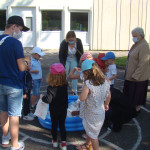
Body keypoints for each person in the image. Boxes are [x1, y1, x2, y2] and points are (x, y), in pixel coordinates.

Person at [0, 15, 29, 150]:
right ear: (14, 27)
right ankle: (15, 145)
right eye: (20, 29)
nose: (20, 33)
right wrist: (26, 62)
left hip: (0, 83)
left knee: (3, 111)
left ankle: (5, 138)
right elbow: (22, 67)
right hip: (13, 85)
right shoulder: (16, 43)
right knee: (14, 115)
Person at [76, 60, 111, 150]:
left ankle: (93, 147)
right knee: (90, 131)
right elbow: (109, 95)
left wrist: (80, 96)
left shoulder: (88, 84)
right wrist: (106, 104)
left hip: (91, 114)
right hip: (100, 112)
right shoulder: (104, 82)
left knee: (94, 137)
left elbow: (82, 98)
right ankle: (87, 145)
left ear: (86, 73)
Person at [41, 63, 68, 150]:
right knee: (62, 125)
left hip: (54, 110)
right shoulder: (65, 85)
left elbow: (48, 100)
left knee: (54, 125)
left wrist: (42, 98)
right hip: (63, 109)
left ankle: (55, 141)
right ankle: (64, 143)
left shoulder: (50, 87)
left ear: (51, 76)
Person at [123, 27, 150, 113]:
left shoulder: (144, 46)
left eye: (134, 36)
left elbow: (144, 62)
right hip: (130, 76)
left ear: (140, 36)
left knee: (136, 96)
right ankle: (130, 110)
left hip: (137, 78)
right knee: (129, 95)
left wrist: (136, 75)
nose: (133, 38)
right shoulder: (136, 44)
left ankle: (135, 111)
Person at [30, 46, 45, 115]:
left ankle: (35, 103)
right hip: (34, 79)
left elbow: (39, 70)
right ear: (34, 54)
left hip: (38, 79)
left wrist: (41, 77)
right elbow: (28, 70)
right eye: (39, 55)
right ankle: (33, 105)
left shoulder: (38, 60)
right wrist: (34, 71)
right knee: (35, 93)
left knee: (37, 92)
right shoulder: (31, 61)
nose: (40, 56)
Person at [22, 56, 34, 121]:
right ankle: (25, 114)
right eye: (29, 63)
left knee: (28, 101)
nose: (30, 65)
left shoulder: (27, 72)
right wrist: (25, 92)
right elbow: (24, 83)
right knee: (26, 102)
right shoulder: (25, 73)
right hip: (26, 91)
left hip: (28, 90)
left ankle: (28, 112)